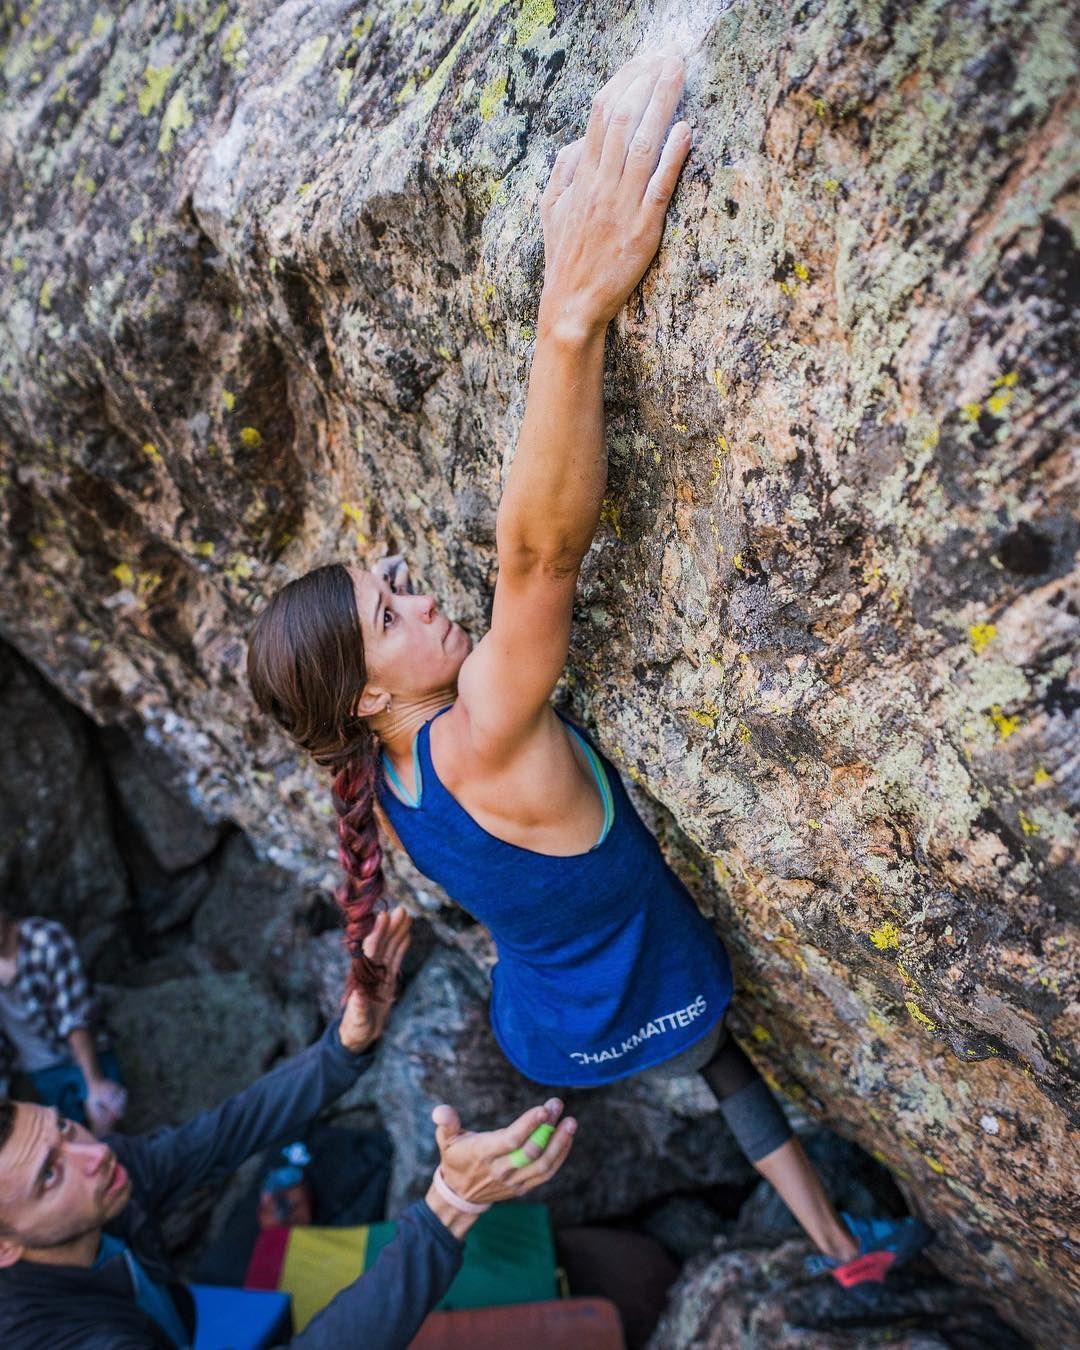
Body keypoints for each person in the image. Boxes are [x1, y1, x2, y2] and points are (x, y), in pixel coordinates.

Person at [247, 50, 930, 1286]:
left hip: (555, 1017)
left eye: (394, 577)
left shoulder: (394, 776)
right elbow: (539, 563)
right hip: (636, 977)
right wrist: (572, 315)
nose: (421, 596)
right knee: (719, 1059)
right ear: (363, 693)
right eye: (390, 610)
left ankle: (828, 1245)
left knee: (709, 1069)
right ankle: (834, 1238)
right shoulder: (484, 732)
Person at [0, 907, 577, 1348]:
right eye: (49, 1175)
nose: (90, 1155)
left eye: (65, 1129)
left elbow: (226, 1133)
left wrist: (344, 1045)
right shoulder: (56, 1336)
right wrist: (449, 1207)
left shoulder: (103, 1170)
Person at [0, 906, 126, 1137]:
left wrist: (94, 1084)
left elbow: (74, 1017)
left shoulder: (46, 939)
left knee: (107, 1128)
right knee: (69, 1141)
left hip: (84, 1056)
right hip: (40, 1070)